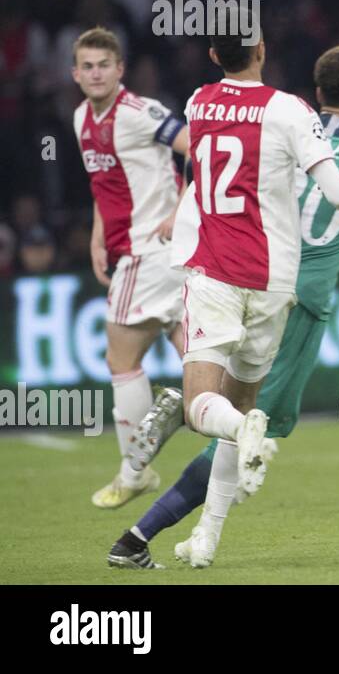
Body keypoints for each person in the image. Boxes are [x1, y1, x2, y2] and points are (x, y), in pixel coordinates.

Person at [108, 45, 339, 569]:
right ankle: (137, 536)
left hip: (229, 268)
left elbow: (216, 172)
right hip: (292, 299)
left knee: (234, 420)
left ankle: (202, 539)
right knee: (248, 425)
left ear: (317, 93)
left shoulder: (272, 123)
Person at [71, 27, 189, 509]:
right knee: (199, 363)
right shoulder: (81, 117)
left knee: (121, 360)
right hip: (142, 252)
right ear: (75, 73)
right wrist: (100, 236)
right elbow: (108, 185)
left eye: (105, 64)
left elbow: (199, 148)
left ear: (121, 70)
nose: (96, 73)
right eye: (87, 66)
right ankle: (232, 427)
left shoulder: (141, 112)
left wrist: (180, 208)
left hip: (150, 252)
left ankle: (133, 470)